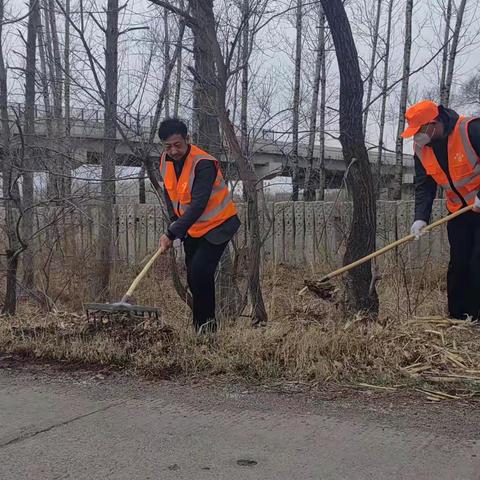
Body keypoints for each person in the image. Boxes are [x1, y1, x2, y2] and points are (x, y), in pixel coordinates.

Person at [157, 118, 240, 334]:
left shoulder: (203, 163)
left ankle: (208, 331)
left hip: (218, 224)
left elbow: (198, 205)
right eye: (168, 146)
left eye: (178, 144)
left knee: (201, 271)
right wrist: (174, 218)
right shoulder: (165, 161)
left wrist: (171, 232)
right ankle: (199, 328)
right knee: (193, 278)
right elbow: (169, 192)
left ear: (188, 139)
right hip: (193, 228)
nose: (173, 150)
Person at [401, 100, 480, 320]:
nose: (416, 137)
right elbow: (424, 185)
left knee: (477, 262)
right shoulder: (420, 149)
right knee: (459, 263)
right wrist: (420, 218)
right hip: (458, 211)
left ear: (434, 124)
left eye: (419, 131)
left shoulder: (470, 129)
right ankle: (459, 318)